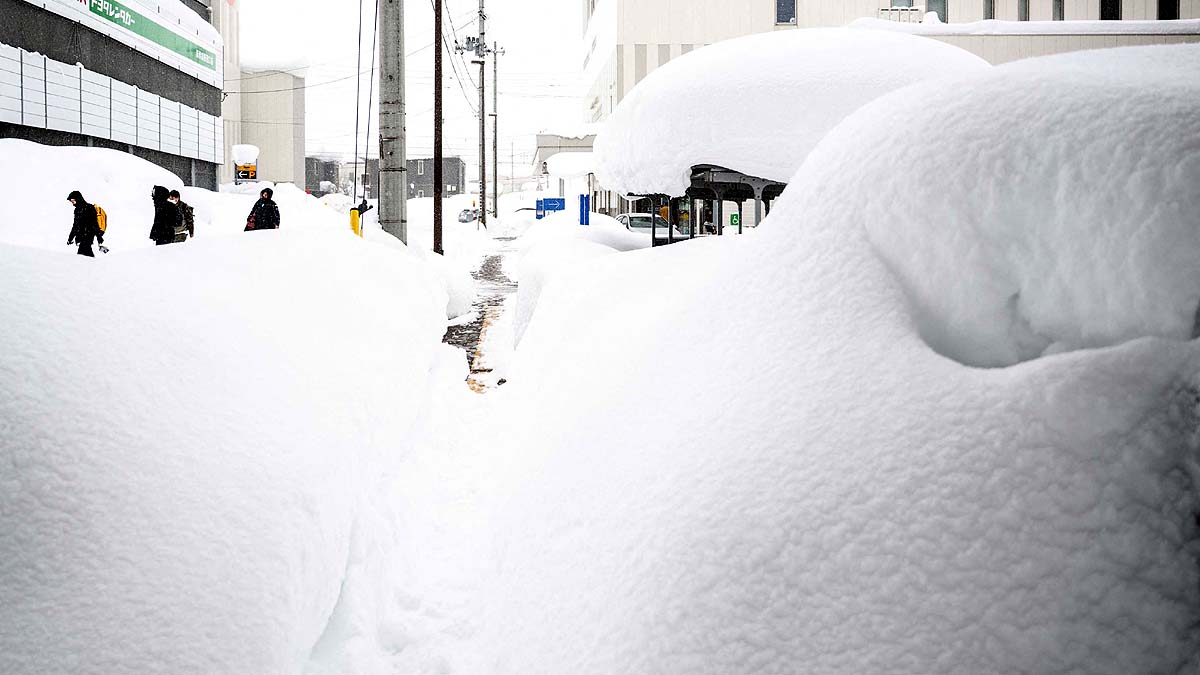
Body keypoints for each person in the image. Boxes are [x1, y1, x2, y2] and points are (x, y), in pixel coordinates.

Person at [66, 190, 102, 257]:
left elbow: (94, 223)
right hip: (81, 238)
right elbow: (75, 225)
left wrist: (99, 237)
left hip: (87, 237)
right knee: (85, 257)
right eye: (71, 201)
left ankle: (99, 263)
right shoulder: (77, 210)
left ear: (78, 199)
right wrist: (70, 238)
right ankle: (96, 263)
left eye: (73, 201)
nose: (72, 203)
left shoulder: (89, 208)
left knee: (82, 257)